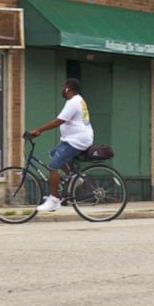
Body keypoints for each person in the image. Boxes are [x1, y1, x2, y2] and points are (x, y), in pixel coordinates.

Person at [26, 78, 93, 212]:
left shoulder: (73, 102)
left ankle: (54, 199)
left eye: (64, 87)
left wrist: (38, 130)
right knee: (53, 153)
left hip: (77, 140)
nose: (63, 90)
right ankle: (74, 177)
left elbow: (58, 122)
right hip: (73, 138)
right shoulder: (78, 100)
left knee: (53, 165)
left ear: (68, 89)